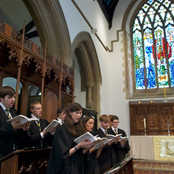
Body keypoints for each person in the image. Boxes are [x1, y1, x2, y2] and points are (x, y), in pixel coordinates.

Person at [47, 102, 94, 174]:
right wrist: (79, 145)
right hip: (67, 167)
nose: (79, 115)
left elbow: (81, 153)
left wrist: (87, 146)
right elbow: (63, 154)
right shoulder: (62, 129)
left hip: (78, 166)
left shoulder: (79, 128)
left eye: (81, 113)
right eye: (77, 113)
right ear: (70, 113)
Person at [0, 86, 29, 159]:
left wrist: (23, 129)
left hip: (14, 150)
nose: (13, 100)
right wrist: (11, 127)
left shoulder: (13, 111)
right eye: (10, 98)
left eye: (14, 97)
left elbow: (17, 133)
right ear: (1, 98)